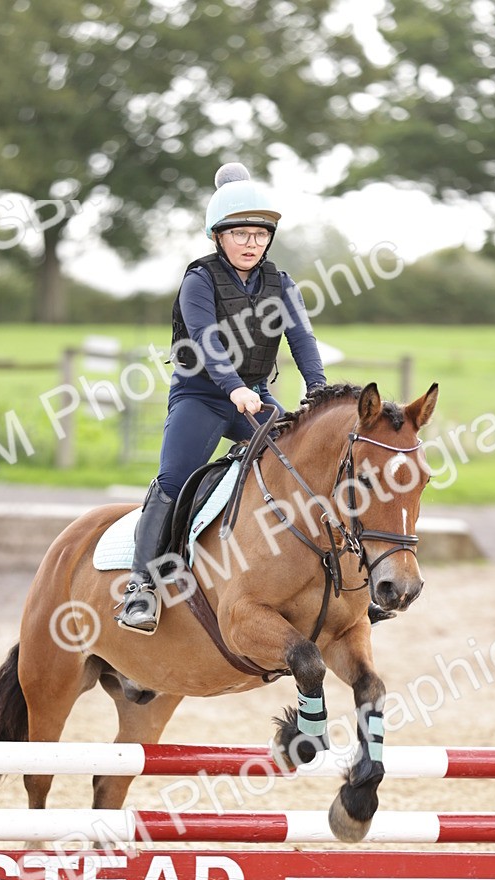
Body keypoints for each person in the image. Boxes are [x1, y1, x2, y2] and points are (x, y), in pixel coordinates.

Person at [116, 162, 327, 635]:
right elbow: (207, 342)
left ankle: (323, 576)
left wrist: (318, 391)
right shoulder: (200, 281)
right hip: (202, 397)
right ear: (218, 236)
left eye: (260, 234)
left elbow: (303, 340)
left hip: (255, 396)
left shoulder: (281, 283)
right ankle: (140, 588)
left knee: (304, 467)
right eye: (241, 234)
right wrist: (233, 388)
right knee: (173, 478)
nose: (252, 242)